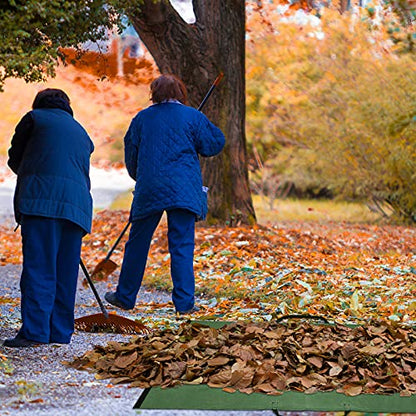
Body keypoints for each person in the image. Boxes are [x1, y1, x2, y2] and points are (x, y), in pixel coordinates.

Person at [105, 74, 225, 314]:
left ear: (154, 94)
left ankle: (125, 296)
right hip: (184, 188)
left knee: (137, 242)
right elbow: (214, 144)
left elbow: (131, 156)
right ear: (181, 93)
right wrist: (201, 125)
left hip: (150, 187)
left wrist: (141, 176)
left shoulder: (141, 119)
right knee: (181, 244)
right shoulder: (193, 117)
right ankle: (184, 304)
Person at [3, 88, 94, 348]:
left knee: (40, 267)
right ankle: (60, 332)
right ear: (67, 106)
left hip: (41, 203)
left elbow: (15, 158)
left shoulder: (34, 119)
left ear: (39, 103)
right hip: (77, 207)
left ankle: (34, 332)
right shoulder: (81, 131)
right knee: (65, 272)